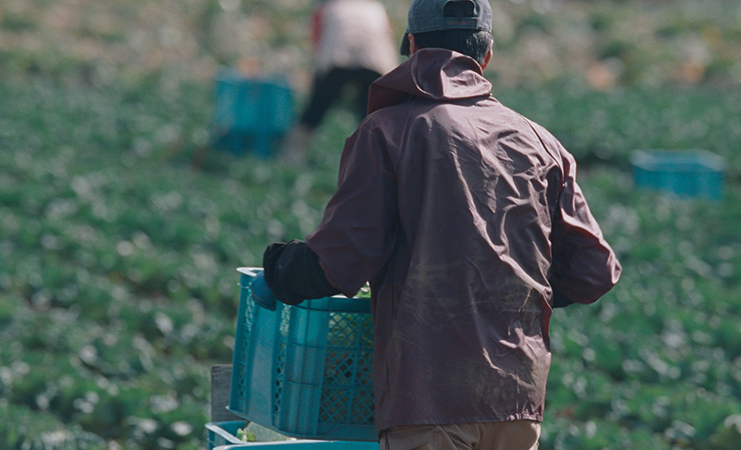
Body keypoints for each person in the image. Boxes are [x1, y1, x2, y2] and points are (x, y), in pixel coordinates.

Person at [254, 0, 622, 448]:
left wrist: (281, 271)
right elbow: (593, 271)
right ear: (486, 56)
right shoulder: (539, 142)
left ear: (410, 46)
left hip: (427, 401)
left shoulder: (387, 130)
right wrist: (513, 293)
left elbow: (344, 258)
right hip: (516, 403)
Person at [280, 0, 399, 164]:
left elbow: (317, 37)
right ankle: (379, 161)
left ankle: (292, 157)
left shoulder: (328, 7)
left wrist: (318, 75)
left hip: (338, 55)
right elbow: (387, 34)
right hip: (376, 60)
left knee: (317, 106)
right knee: (372, 114)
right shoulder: (375, 7)